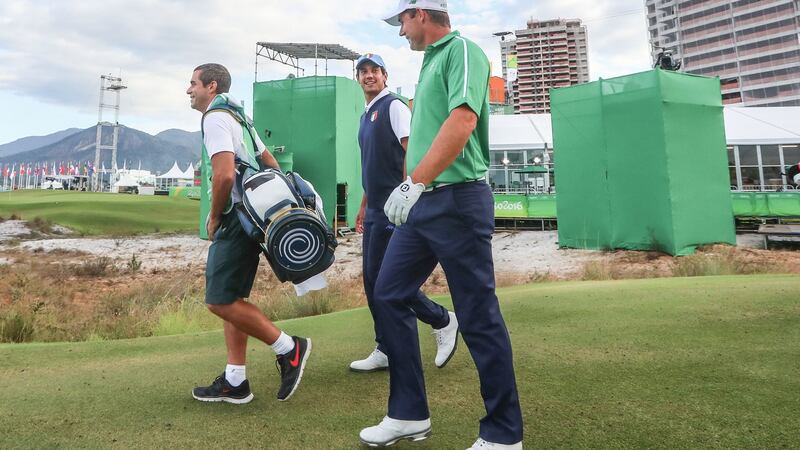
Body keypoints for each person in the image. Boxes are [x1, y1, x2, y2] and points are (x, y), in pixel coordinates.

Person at [359, 2, 524, 449]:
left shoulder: (461, 50)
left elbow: (464, 119)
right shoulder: (427, 65)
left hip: (457, 201)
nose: (400, 33)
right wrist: (412, 190)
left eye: (402, 22)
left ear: (421, 13)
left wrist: (413, 182)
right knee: (388, 292)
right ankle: (408, 414)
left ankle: (504, 434)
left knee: (478, 314)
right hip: (423, 205)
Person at [186, 63, 311, 404]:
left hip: (234, 220)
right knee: (233, 300)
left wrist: (214, 217)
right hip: (253, 218)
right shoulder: (239, 115)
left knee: (219, 300)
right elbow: (268, 160)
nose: (188, 90)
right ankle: (235, 380)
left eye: (193, 83)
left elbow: (224, 175)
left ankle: (289, 348)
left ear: (211, 86)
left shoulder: (214, 117)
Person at [352, 53, 459, 373]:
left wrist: (407, 192)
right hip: (375, 208)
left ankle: (443, 320)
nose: (369, 76)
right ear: (358, 78)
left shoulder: (393, 106)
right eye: (363, 72)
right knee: (373, 282)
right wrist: (363, 204)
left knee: (388, 281)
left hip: (395, 210)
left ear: (385, 76)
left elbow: (411, 150)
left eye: (374, 71)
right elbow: (375, 165)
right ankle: (385, 347)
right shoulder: (366, 114)